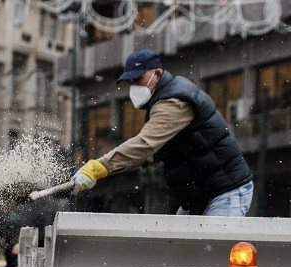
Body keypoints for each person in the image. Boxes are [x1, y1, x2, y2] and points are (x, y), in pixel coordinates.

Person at [71, 49, 254, 216]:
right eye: (130, 82)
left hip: (224, 192)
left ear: (157, 74)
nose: (134, 86)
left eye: (138, 79)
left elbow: (144, 144)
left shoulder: (174, 102)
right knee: (177, 250)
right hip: (200, 196)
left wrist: (98, 167)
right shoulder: (162, 100)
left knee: (212, 250)